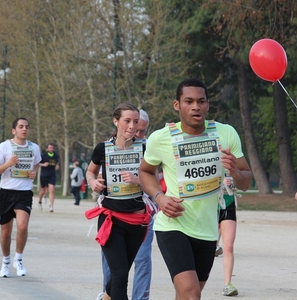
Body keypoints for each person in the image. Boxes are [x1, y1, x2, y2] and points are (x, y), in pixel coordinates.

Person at [139, 78, 252, 299]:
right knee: (191, 293)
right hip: (173, 225)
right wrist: (159, 197)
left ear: (208, 105)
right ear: (177, 105)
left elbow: (246, 181)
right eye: (188, 101)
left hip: (207, 230)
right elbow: (145, 172)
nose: (195, 107)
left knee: (187, 294)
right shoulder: (160, 139)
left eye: (201, 101)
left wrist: (235, 172)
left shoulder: (226, 134)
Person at [85, 103, 151, 300]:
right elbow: (90, 171)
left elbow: (155, 180)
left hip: (137, 222)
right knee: (121, 276)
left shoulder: (145, 149)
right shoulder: (103, 149)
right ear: (116, 121)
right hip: (111, 220)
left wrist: (139, 180)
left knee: (118, 276)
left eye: (135, 121)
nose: (132, 126)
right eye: (127, 121)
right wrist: (93, 182)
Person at [0, 117, 41, 278]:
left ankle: (18, 259)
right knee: (5, 232)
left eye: (26, 126)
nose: (24, 129)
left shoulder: (34, 148)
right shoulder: (5, 147)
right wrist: (8, 164)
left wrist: (34, 173)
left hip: (24, 193)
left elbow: (36, 164)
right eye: (20, 126)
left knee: (23, 226)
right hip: (6, 192)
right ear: (14, 130)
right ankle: (6, 262)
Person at [217, 175, 241, 296]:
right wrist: (220, 183)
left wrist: (234, 183)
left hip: (228, 204)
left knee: (229, 247)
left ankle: (228, 285)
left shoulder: (232, 161)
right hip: (208, 206)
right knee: (204, 246)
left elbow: (242, 181)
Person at [38, 143, 59, 212]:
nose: (51, 149)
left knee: (52, 190)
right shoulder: (43, 155)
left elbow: (57, 163)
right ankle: (40, 201)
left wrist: (57, 166)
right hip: (44, 175)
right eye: (50, 148)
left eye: (52, 148)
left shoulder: (56, 156)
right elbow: (38, 164)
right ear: (47, 149)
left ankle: (51, 206)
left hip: (52, 175)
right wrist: (43, 164)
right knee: (43, 191)